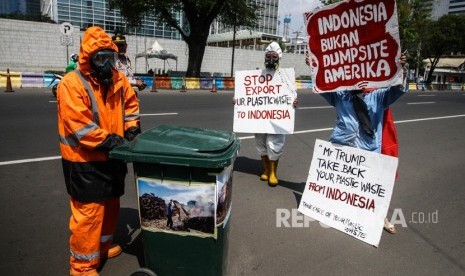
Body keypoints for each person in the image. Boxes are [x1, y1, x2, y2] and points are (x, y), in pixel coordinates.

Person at [57, 26, 141, 275]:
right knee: (89, 214)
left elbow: (131, 106)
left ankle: (101, 249)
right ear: (88, 58)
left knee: (111, 205)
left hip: (113, 157)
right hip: (84, 161)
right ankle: (82, 267)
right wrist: (112, 141)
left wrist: (132, 129)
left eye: (110, 57)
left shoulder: (119, 79)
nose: (106, 64)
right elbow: (81, 128)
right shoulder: (72, 84)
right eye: (100, 58)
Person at [309, 53, 408, 234]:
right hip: (340, 146)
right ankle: (334, 213)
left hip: (368, 149)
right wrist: (315, 67)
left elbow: (398, 89)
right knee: (338, 184)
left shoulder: (378, 96)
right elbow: (321, 86)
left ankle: (381, 217)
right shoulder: (340, 95)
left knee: (371, 188)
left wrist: (401, 69)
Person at [234, 42, 298, 187]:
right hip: (260, 119)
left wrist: (293, 102)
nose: (270, 59)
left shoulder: (285, 77)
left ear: (279, 58)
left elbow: (291, 95)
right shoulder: (258, 75)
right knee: (261, 143)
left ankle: (273, 173)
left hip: (277, 119)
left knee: (275, 145)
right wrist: (238, 101)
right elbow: (246, 94)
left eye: (274, 56)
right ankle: (266, 169)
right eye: (268, 56)